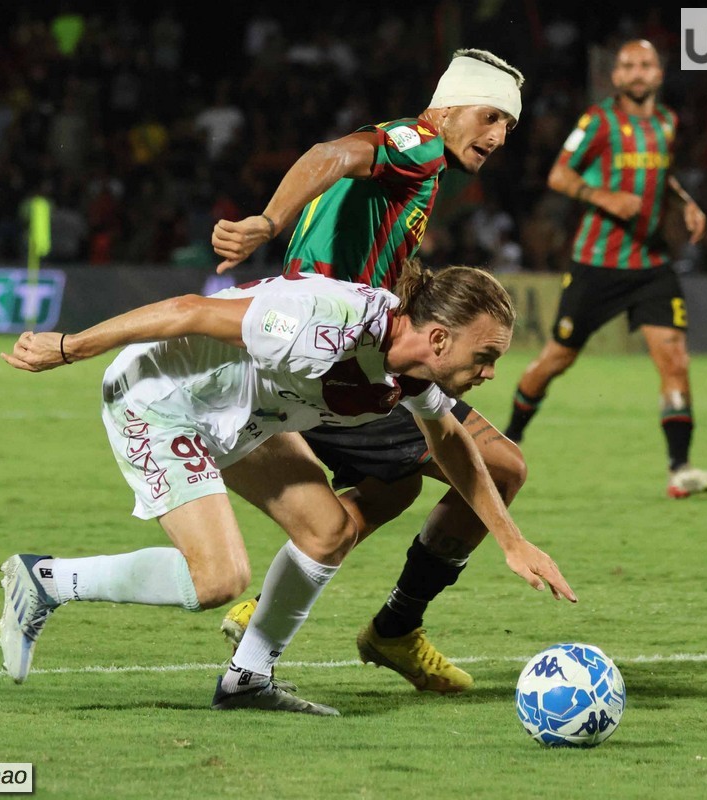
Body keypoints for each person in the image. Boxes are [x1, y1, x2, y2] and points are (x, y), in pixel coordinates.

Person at [0, 263, 576, 716]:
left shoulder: (409, 363)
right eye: (487, 356)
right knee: (218, 579)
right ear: (442, 339)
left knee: (328, 531)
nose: (491, 372)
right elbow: (188, 311)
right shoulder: (326, 325)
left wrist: (512, 542)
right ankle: (46, 580)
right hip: (162, 398)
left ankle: (247, 680)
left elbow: (452, 443)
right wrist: (67, 346)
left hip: (242, 411)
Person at [210, 48, 530, 694]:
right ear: (450, 106)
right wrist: (267, 222)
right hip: (336, 358)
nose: (498, 138)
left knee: (392, 489)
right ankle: (392, 628)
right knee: (499, 466)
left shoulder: (424, 176)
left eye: (509, 128)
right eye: (491, 117)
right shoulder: (417, 147)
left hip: (320, 352)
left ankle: (283, 598)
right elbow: (332, 154)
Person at [501, 39, 707, 499]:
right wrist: (603, 197)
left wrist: (685, 203)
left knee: (675, 360)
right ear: (617, 77)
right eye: (628, 66)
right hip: (597, 264)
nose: (638, 72)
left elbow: (661, 175)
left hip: (652, 264)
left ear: (659, 73)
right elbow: (560, 175)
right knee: (556, 359)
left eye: (646, 64)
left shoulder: (667, 122)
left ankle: (680, 469)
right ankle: (508, 439)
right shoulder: (599, 120)